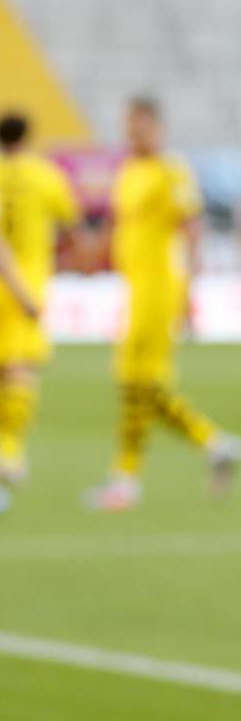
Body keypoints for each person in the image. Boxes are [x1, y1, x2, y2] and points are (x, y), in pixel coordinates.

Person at [84, 97, 241, 511]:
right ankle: (212, 445)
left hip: (160, 288)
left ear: (157, 128)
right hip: (135, 288)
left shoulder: (171, 170)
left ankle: (129, 479)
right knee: (140, 384)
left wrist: (190, 292)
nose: (133, 136)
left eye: (140, 128)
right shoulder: (128, 170)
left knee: (136, 381)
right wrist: (94, 256)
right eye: (129, 128)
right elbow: (117, 223)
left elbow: (191, 228)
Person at [0, 112, 86, 513]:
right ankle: (9, 451)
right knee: (22, 370)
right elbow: (73, 225)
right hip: (25, 283)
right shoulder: (46, 174)